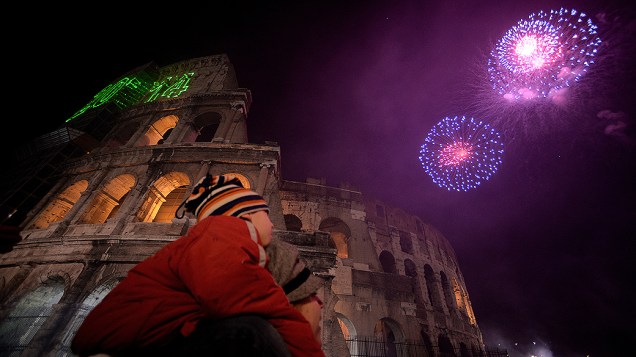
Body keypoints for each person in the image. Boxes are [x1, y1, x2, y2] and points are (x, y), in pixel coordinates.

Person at [71, 174, 325, 357]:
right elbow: (245, 295)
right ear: (246, 216)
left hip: (138, 338)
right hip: (118, 345)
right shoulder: (223, 232)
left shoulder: (212, 239)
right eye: (266, 215)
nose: (272, 225)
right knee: (251, 332)